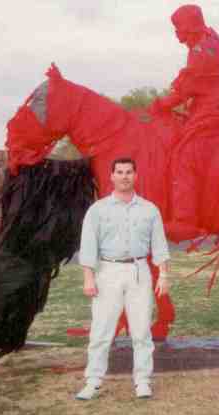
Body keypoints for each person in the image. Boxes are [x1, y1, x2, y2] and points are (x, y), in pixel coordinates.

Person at [76, 157, 170, 400]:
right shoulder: (98, 210)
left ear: (135, 176)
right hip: (108, 272)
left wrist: (164, 275)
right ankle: (93, 381)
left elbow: (159, 245)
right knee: (101, 330)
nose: (124, 176)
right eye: (119, 172)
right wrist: (89, 278)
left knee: (141, 331)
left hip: (139, 271)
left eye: (129, 172)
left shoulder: (150, 209)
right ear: (112, 176)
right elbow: (88, 246)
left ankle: (142, 381)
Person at [149, 4, 219, 242]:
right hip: (200, 111)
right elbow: (189, 78)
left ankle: (185, 220)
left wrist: (162, 104)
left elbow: (188, 87)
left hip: (209, 115)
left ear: (191, 27)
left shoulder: (202, 50)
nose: (179, 39)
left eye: (181, 32)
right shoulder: (207, 43)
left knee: (183, 157)